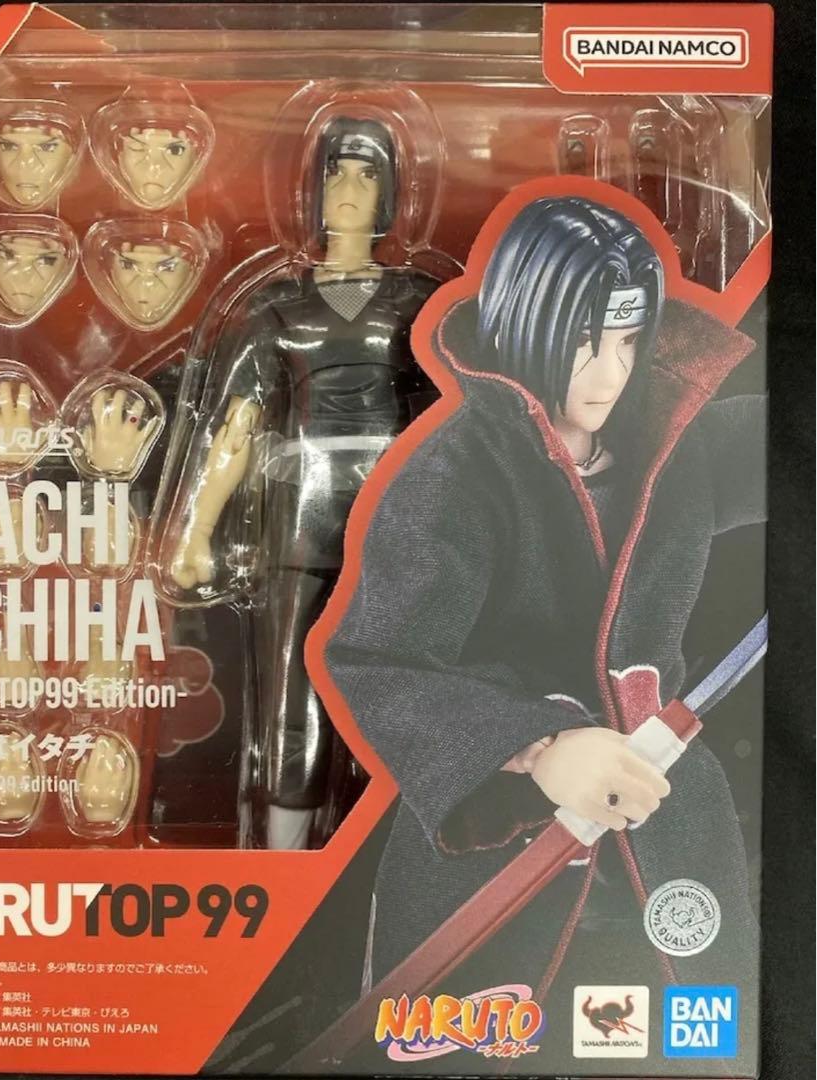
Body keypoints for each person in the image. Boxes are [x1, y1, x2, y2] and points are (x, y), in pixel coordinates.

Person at [324, 195, 765, 1068]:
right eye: (582, 341)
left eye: (628, 342)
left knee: (701, 1039)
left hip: (660, 817)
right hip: (505, 836)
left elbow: (773, 441)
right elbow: (381, 661)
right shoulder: (457, 474)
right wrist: (535, 745)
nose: (607, 373)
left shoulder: (669, 450)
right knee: (470, 1042)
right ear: (526, 325)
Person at [169, 116, 439, 849]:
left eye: (366, 174)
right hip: (299, 520)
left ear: (389, 193)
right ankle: (285, 858)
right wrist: (196, 531)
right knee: (292, 697)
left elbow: (466, 414)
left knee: (404, 685)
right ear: (310, 192)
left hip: (398, 520)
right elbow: (237, 428)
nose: (347, 189)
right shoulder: (276, 307)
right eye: (334, 173)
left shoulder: (419, 301)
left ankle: (391, 848)